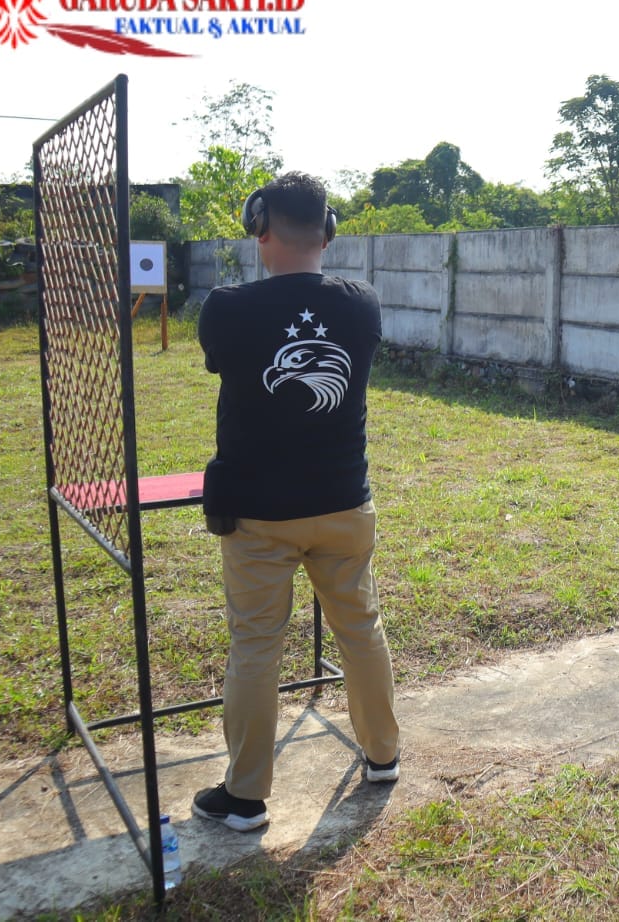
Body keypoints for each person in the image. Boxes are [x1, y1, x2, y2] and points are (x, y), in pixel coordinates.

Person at [192, 170, 401, 831]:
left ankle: (247, 797)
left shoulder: (226, 308)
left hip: (258, 514)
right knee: (360, 630)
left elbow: (220, 362)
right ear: (327, 230)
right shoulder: (362, 303)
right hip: (344, 505)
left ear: (262, 228)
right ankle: (384, 755)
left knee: (256, 645)